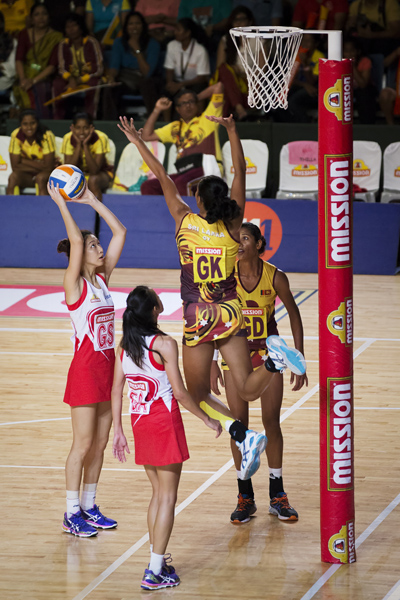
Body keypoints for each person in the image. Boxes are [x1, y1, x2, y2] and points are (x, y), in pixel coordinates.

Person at [118, 113, 307, 481]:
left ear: (198, 200)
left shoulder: (184, 220)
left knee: (199, 393)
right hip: (231, 312)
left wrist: (138, 142)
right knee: (248, 388)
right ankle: (271, 362)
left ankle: (240, 432)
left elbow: (162, 176)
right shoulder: (234, 227)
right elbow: (240, 173)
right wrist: (232, 131)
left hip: (197, 317)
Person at [111, 286, 222, 590]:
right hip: (164, 423)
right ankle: (154, 570)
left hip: (140, 424)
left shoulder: (126, 347)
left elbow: (116, 390)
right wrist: (207, 419)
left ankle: (156, 561)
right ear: (156, 310)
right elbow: (182, 394)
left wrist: (118, 431)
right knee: (168, 498)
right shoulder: (164, 344)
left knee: (157, 495)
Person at [210, 223, 308, 524]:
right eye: (236, 238)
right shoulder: (226, 277)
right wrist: (213, 359)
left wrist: (299, 355)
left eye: (245, 238)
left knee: (271, 422)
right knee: (239, 427)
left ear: (258, 243)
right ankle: (245, 496)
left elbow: (294, 312)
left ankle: (277, 495)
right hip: (235, 356)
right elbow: (215, 319)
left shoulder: (275, 276)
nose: (239, 243)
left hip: (268, 356)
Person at [48, 179, 126, 538]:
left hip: (108, 371)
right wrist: (61, 201)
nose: (97, 248)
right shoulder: (74, 284)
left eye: (97, 245)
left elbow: (120, 231)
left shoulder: (103, 280)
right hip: (84, 371)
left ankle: (90, 506)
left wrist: (93, 200)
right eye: (93, 246)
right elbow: (77, 241)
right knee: (81, 445)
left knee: (98, 445)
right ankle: (70, 513)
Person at [140, 82, 224, 196]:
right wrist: (157, 109)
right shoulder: (175, 127)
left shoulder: (209, 118)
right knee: (148, 186)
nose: (188, 106)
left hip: (208, 169)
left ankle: (187, 214)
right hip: (184, 172)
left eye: (191, 102)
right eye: (184, 103)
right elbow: (146, 136)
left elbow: (218, 86)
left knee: (182, 183)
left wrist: (196, 97)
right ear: (178, 109)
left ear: (197, 104)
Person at [103, 10, 161, 119]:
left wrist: (137, 49)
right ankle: (110, 124)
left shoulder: (153, 43)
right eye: (131, 24)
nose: (134, 27)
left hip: (146, 79)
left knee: (147, 83)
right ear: (126, 27)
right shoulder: (119, 42)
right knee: (110, 88)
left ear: (143, 25)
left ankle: (153, 122)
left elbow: (147, 73)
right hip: (127, 79)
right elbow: (114, 67)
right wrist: (111, 78)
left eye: (137, 23)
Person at [13, 2, 62, 117]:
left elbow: (52, 66)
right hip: (25, 74)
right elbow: (19, 59)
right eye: (37, 14)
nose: (41, 17)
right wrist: (23, 78)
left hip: (45, 75)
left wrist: (33, 81)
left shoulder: (57, 37)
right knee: (22, 87)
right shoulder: (24, 34)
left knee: (36, 89)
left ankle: (36, 121)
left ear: (49, 17)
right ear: (31, 18)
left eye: (44, 14)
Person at [52, 13, 104, 120]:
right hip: (70, 79)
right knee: (57, 84)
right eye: (68, 27)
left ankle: (90, 118)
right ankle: (58, 118)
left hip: (88, 78)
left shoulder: (91, 42)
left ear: (81, 27)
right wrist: (71, 79)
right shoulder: (63, 44)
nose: (71, 29)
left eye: (74, 25)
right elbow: (62, 68)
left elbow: (98, 69)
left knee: (94, 84)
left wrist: (79, 80)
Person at [213, 6, 256, 120]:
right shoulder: (225, 40)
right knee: (224, 70)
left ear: (250, 21)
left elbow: (263, 70)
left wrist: (242, 74)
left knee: (225, 91)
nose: (239, 23)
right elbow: (220, 69)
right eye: (236, 20)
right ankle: (238, 108)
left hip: (249, 85)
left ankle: (221, 122)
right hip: (230, 83)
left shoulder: (258, 41)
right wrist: (233, 72)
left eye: (242, 19)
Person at [61, 112, 113, 203]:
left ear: (91, 128)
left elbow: (94, 170)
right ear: (72, 128)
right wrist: (78, 145)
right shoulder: (67, 138)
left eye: (85, 128)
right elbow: (69, 169)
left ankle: (97, 215)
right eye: (78, 128)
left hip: (102, 174)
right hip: (78, 174)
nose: (81, 132)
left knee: (93, 180)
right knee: (68, 181)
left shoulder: (101, 138)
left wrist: (85, 145)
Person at [6, 109, 56, 195]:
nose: (29, 127)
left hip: (45, 175)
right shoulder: (16, 135)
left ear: (37, 123)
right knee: (13, 177)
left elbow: (48, 167)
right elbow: (15, 166)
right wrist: (40, 164)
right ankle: (11, 207)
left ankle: (44, 208)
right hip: (26, 175)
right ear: (20, 124)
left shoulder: (46, 135)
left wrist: (23, 161)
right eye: (25, 124)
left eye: (32, 123)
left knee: (40, 178)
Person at [164, 18, 210, 100]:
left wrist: (181, 85)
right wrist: (170, 83)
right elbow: (169, 69)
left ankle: (199, 113)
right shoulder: (171, 45)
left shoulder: (200, 50)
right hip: (176, 81)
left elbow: (202, 77)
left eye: (178, 30)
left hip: (193, 83)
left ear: (187, 33)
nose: (175, 32)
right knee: (165, 90)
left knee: (199, 88)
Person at [343, 37, 377, 124]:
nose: (349, 54)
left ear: (358, 51)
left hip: (364, 90)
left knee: (364, 96)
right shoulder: (339, 63)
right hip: (346, 90)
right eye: (346, 51)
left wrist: (352, 67)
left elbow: (363, 84)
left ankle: (367, 126)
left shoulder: (365, 61)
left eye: (352, 51)